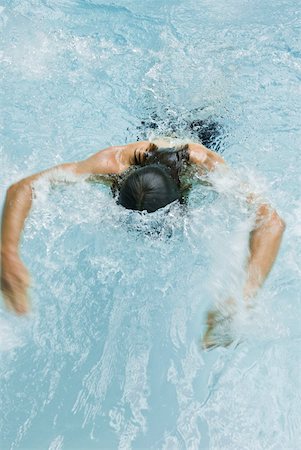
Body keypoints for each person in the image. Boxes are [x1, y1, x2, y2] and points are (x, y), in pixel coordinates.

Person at [0, 139, 285, 347]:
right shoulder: (111, 164)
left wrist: (243, 296)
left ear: (182, 196)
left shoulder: (204, 170)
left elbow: (271, 221)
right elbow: (24, 187)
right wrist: (7, 251)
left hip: (209, 132)